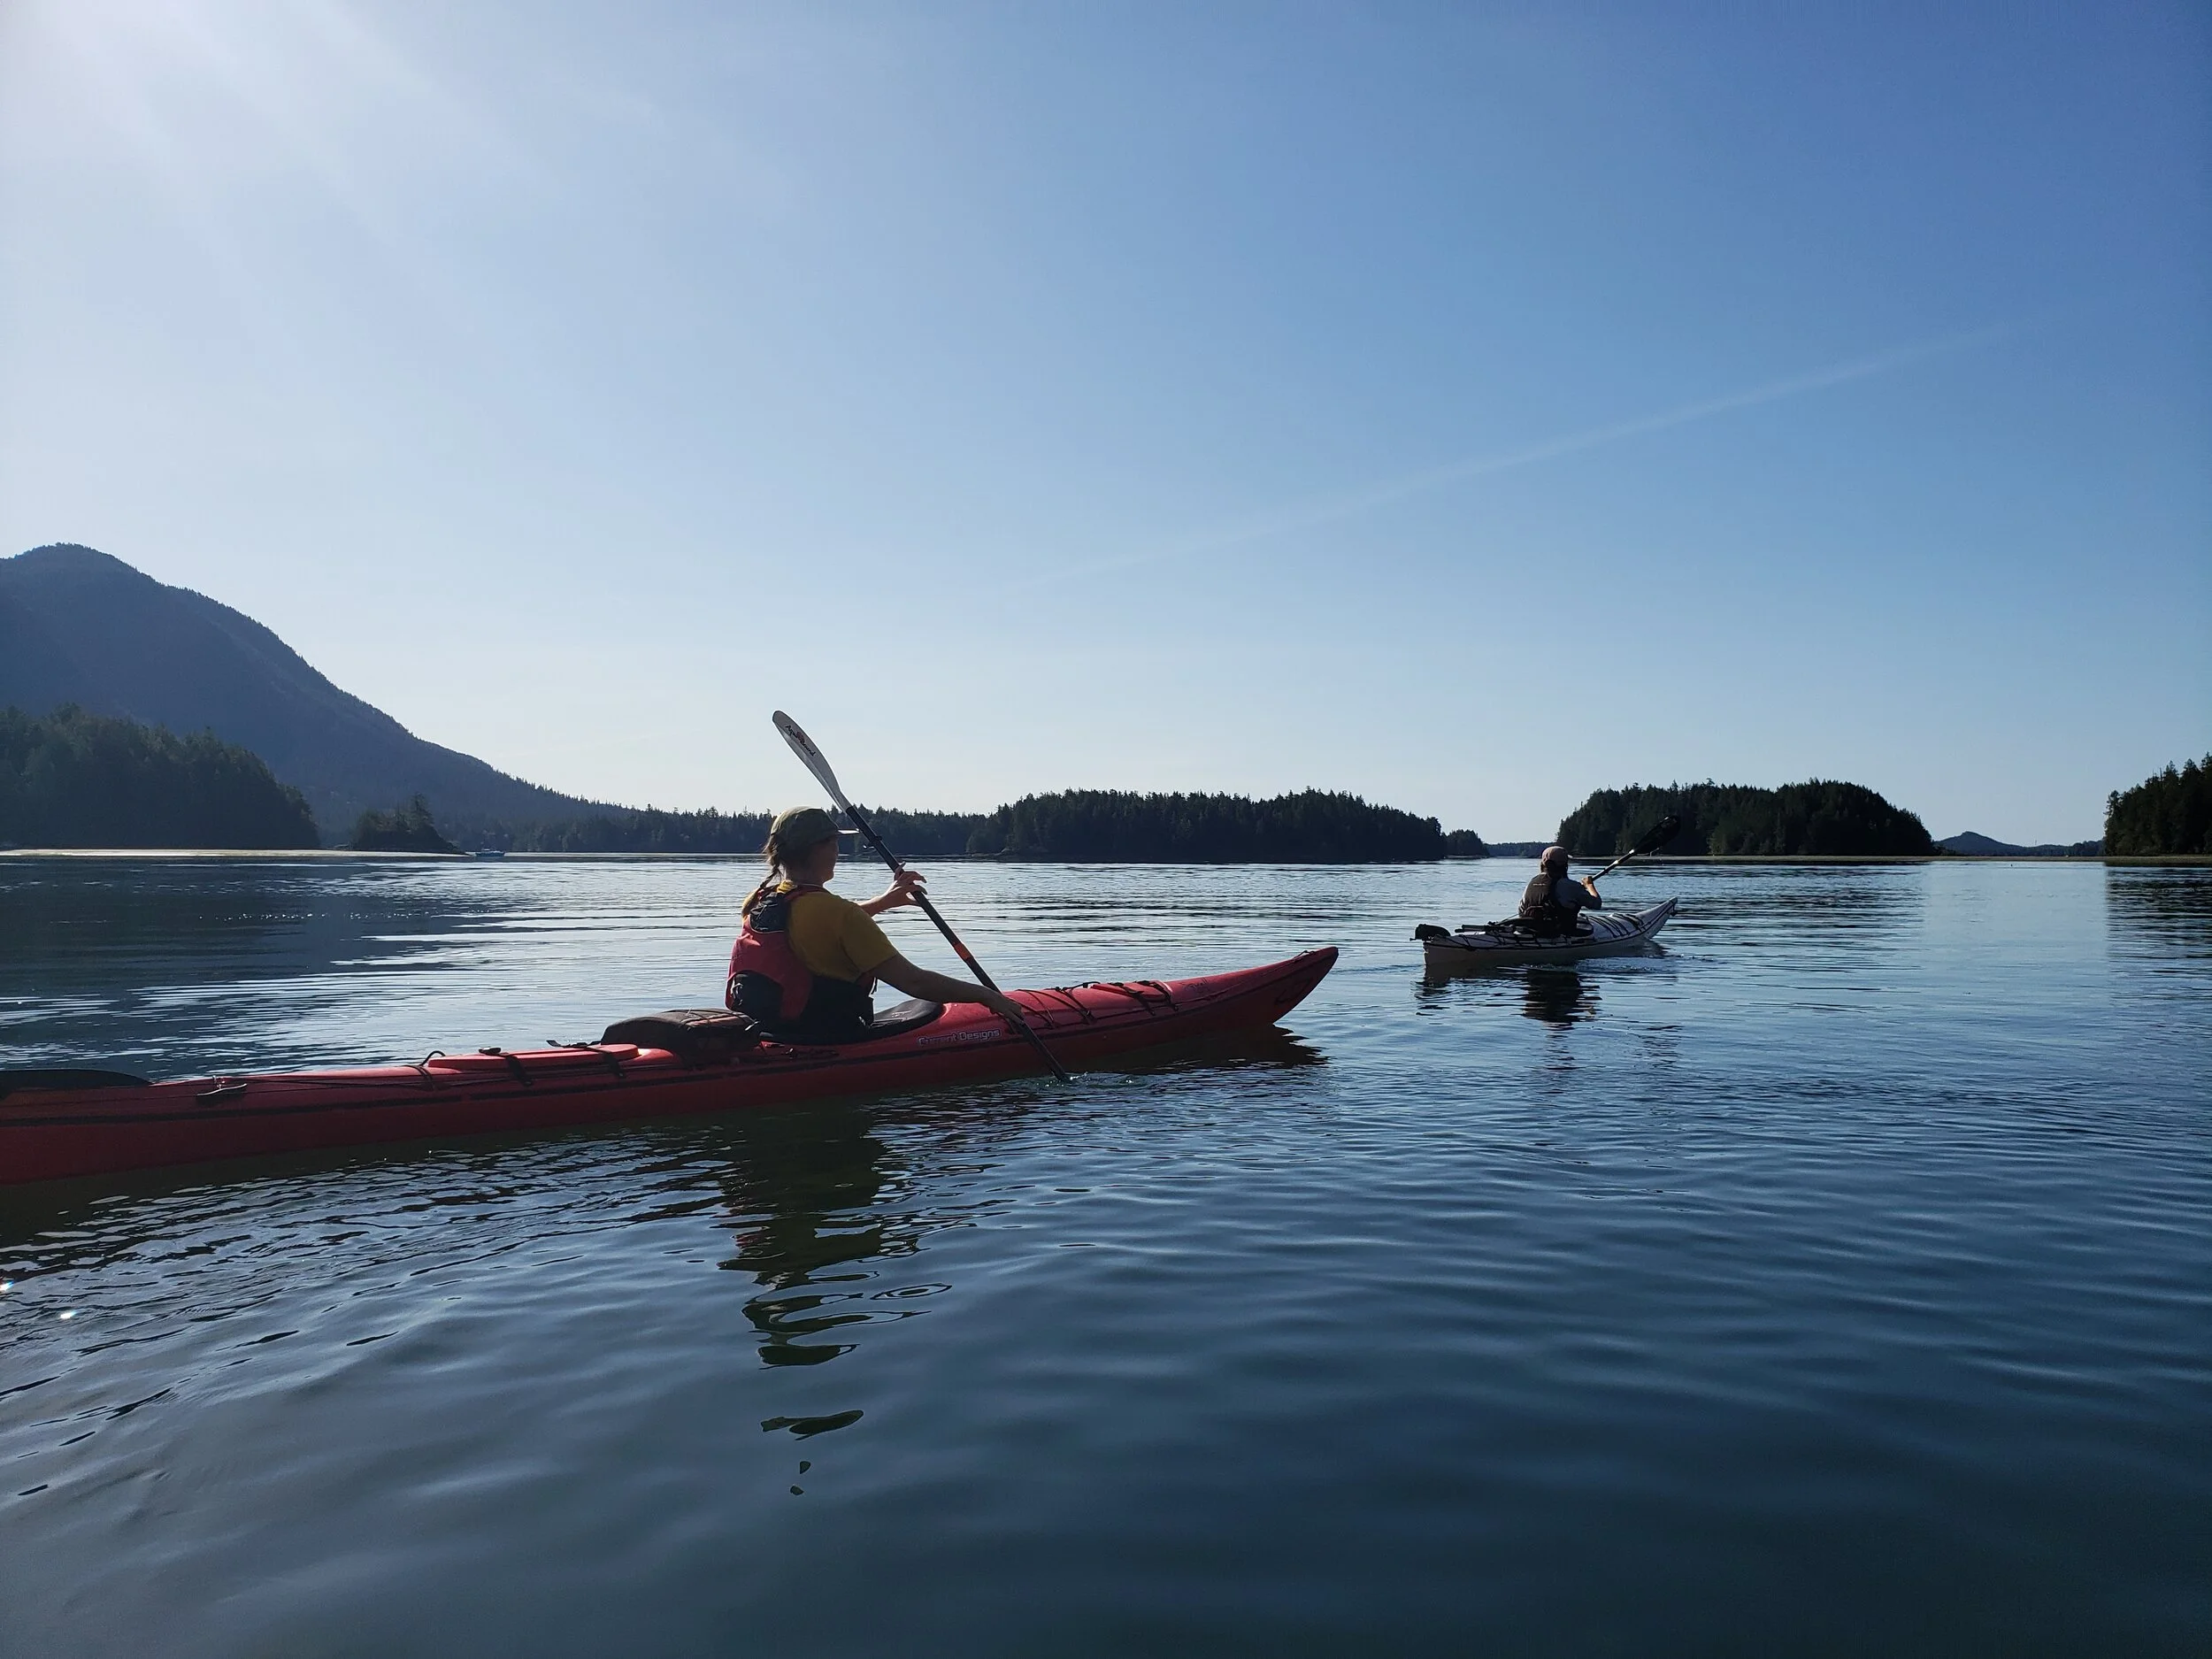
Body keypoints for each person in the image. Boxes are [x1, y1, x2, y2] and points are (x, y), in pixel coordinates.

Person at [727, 805, 1025, 1042]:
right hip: (831, 1034)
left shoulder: (760, 902)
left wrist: (883, 902)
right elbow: (914, 982)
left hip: (773, 1029)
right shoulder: (841, 915)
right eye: (834, 843)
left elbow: (816, 923)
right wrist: (986, 996)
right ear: (820, 848)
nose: (838, 851)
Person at [1517, 845, 1602, 936]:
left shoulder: (1532, 883)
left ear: (1543, 863)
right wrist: (1589, 886)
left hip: (1530, 931)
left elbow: (1521, 911)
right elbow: (1596, 904)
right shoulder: (1570, 886)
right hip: (1559, 932)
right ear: (1565, 865)